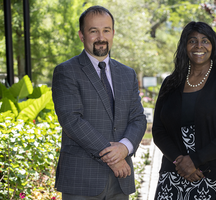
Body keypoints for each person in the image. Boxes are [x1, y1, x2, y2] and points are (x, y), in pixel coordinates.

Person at [52, 5, 147, 199]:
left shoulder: (127, 74)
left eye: (106, 30)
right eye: (93, 31)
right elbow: (72, 121)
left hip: (120, 180)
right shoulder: (66, 71)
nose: (100, 37)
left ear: (113, 33)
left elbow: (138, 118)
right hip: (81, 181)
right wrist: (113, 158)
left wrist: (125, 148)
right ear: (81, 35)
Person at [152, 21, 216, 199]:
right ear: (184, 46)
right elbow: (158, 130)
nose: (199, 46)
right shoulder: (170, 83)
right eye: (192, 41)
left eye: (205, 40)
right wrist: (179, 162)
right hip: (174, 176)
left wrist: (195, 160)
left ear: (213, 45)